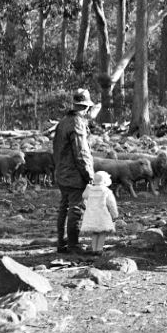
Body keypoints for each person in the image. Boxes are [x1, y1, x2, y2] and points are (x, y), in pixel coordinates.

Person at [53, 88, 97, 254]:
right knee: (76, 208)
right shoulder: (77, 123)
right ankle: (73, 245)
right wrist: (89, 175)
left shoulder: (63, 121)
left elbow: (56, 149)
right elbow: (82, 152)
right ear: (86, 107)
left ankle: (61, 242)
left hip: (62, 172)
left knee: (64, 207)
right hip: (74, 174)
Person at [81, 171, 119, 255]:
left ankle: (94, 249)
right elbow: (111, 204)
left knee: (95, 233)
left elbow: (84, 196)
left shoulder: (90, 189)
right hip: (102, 215)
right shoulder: (106, 191)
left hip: (91, 215)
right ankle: (99, 249)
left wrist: (87, 187)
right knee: (102, 233)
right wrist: (114, 214)